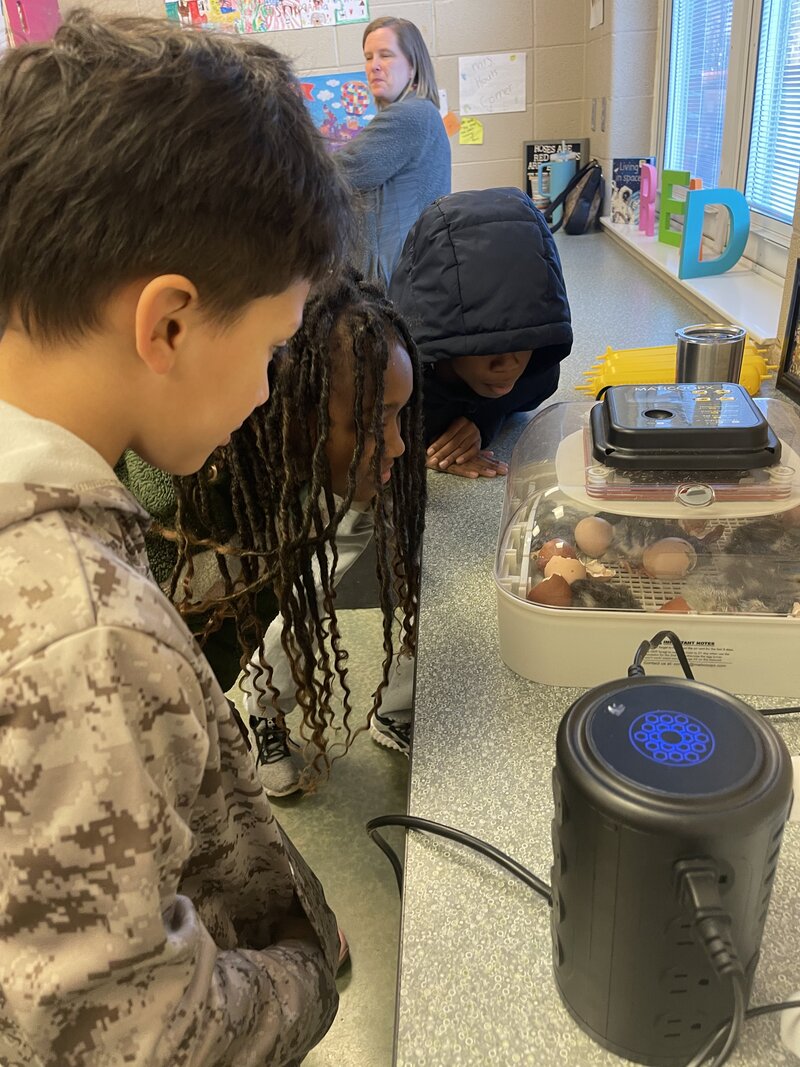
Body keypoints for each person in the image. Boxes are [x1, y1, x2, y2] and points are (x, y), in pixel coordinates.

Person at [0, 12, 352, 1066]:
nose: (265, 387)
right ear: (169, 324)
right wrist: (303, 973)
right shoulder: (83, 632)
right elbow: (139, 1038)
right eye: (274, 346)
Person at [162, 271, 425, 797]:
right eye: (375, 423)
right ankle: (260, 714)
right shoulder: (204, 522)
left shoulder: (325, 474)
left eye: (400, 417)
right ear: (291, 413)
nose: (397, 444)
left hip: (309, 497)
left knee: (300, 603)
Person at [389, 186, 574, 478]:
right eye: (486, 345)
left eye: (523, 339)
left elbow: (536, 386)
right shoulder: (397, 383)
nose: (509, 363)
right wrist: (417, 446)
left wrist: (482, 420)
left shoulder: (537, 371)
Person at [336, 15, 451, 287]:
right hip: (409, 276)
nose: (373, 66)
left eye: (385, 55)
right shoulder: (422, 112)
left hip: (393, 283)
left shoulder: (409, 115)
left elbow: (341, 170)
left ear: (412, 67)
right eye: (368, 57)